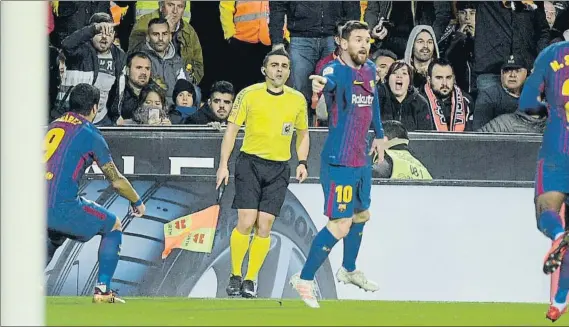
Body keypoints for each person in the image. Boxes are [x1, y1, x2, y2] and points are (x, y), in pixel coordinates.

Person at [290, 21, 387, 308]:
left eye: (366, 40)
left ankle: (348, 269)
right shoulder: (334, 70)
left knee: (361, 215)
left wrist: (380, 135)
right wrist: (320, 86)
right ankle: (304, 278)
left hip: (360, 159)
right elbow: (325, 81)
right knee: (340, 223)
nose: (363, 44)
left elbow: (374, 103)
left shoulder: (369, 69)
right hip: (339, 160)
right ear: (342, 43)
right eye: (357, 39)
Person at [215, 48, 310, 299]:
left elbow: (303, 133)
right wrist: (223, 164)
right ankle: (235, 274)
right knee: (246, 221)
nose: (280, 70)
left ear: (289, 71)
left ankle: (250, 279)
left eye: (285, 66)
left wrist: (302, 162)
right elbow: (231, 131)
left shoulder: (297, 99)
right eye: (275, 65)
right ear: (264, 69)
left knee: (265, 225)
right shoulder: (249, 94)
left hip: (279, 167)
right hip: (250, 164)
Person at [45, 84, 146, 304]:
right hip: (60, 208)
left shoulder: (52, 126)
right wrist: (136, 201)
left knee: (53, 234)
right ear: (95, 107)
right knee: (113, 225)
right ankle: (102, 290)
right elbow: (117, 181)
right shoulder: (90, 134)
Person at [518, 41, 569, 322]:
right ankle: (560, 300)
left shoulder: (551, 54)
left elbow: (526, 104)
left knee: (546, 213)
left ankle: (557, 235)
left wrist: (546, 110)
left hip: (558, 145)